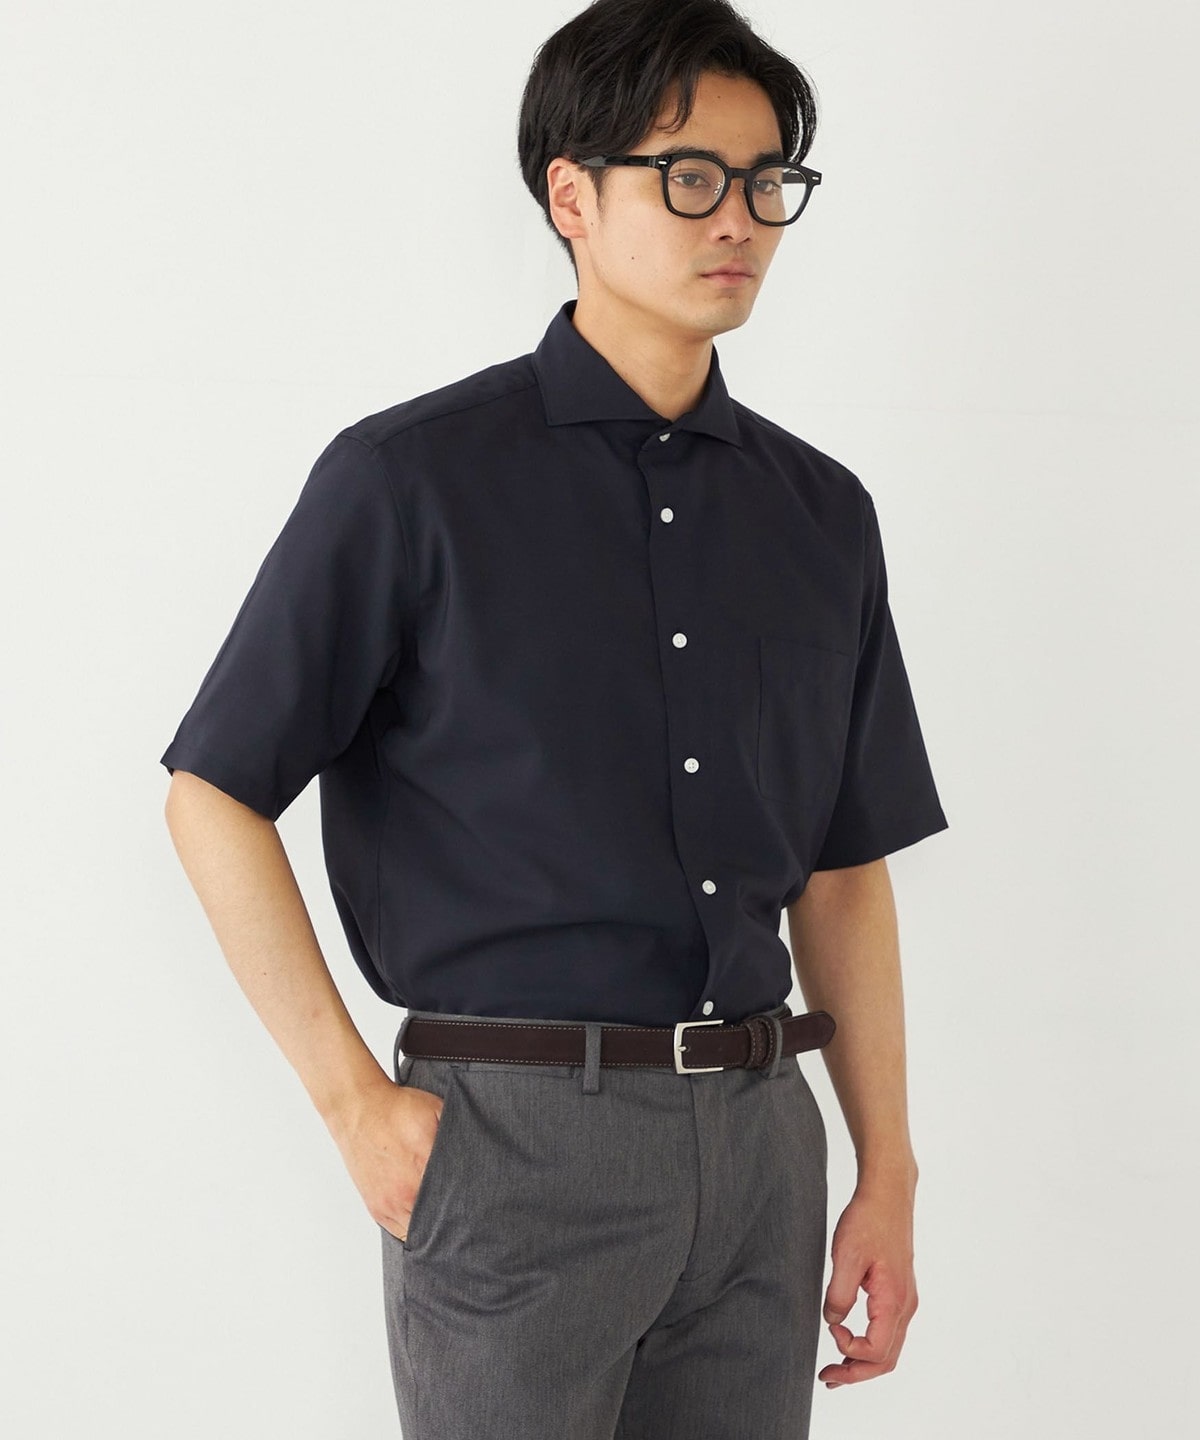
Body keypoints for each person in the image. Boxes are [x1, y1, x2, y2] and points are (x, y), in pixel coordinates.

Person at [160, 0, 948, 1434]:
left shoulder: (822, 515)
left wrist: (884, 1166)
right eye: (690, 176)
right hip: (514, 1143)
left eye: (768, 179)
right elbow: (212, 792)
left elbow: (844, 866)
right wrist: (353, 1103)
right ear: (570, 196)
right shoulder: (411, 480)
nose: (740, 217)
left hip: (764, 1142)